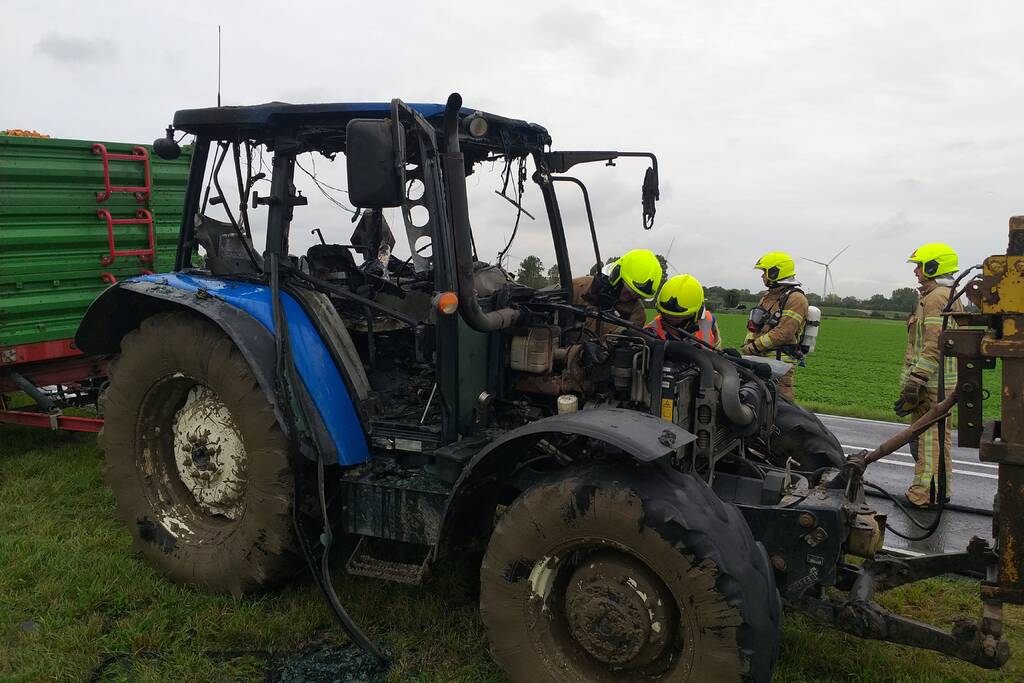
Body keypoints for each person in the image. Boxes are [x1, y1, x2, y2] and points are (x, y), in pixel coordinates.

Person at [895, 242, 962, 509]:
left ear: (934, 266)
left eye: (920, 266)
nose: (916, 271)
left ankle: (924, 495)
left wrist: (915, 380)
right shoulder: (944, 294)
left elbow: (933, 345)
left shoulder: (936, 298)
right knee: (938, 437)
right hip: (941, 380)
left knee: (928, 439)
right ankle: (940, 490)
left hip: (933, 383)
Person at [740, 251, 808, 400]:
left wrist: (754, 347)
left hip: (779, 363)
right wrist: (748, 347)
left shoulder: (796, 298)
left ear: (776, 271)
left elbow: (784, 332)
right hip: (757, 359)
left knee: (780, 403)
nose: (762, 276)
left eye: (765, 271)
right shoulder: (767, 296)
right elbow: (754, 326)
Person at [571, 249, 662, 338]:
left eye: (638, 296)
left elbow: (621, 345)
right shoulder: (577, 288)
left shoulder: (637, 313)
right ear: (616, 277)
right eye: (629, 291)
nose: (631, 298)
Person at [645, 274, 722, 349]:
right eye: (666, 314)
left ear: (696, 314)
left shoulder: (708, 321)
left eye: (678, 317)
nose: (671, 319)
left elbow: (717, 347)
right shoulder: (650, 331)